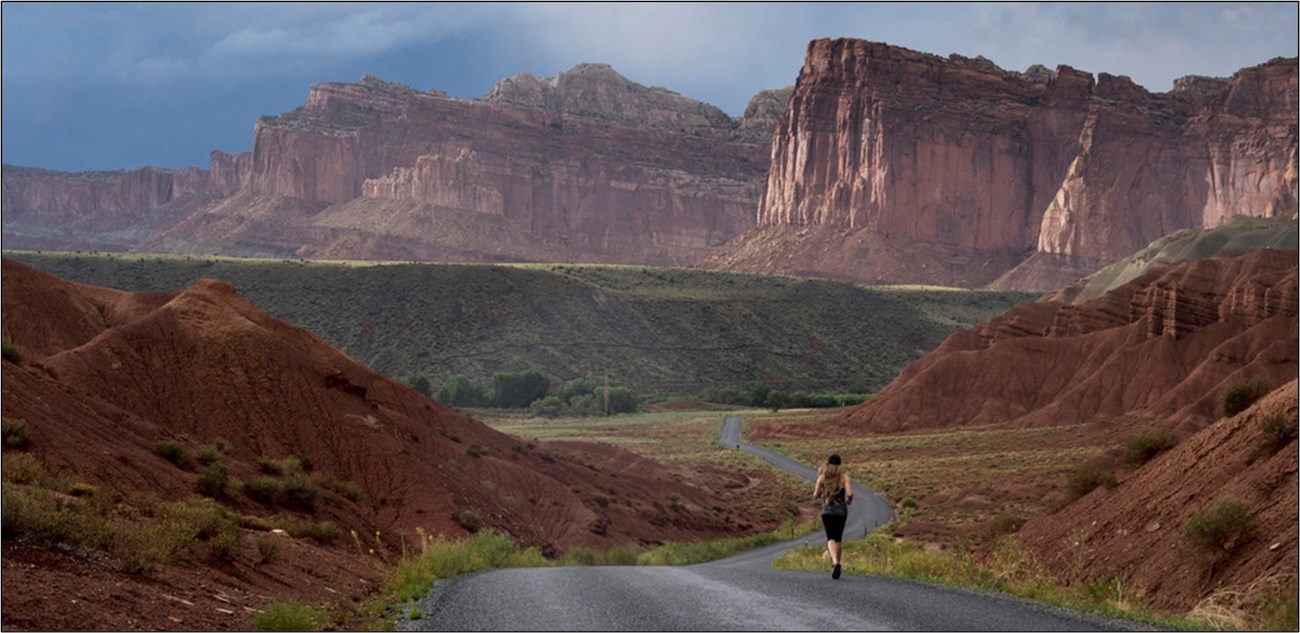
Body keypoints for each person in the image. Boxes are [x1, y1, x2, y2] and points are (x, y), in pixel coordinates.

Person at [812, 453, 853, 579]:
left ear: (828, 464)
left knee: (830, 538)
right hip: (841, 511)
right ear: (840, 465)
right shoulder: (844, 478)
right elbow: (850, 494)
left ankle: (835, 563)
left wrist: (821, 493)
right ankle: (838, 563)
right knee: (838, 538)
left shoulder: (822, 478)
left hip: (827, 510)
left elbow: (815, 495)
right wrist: (849, 500)